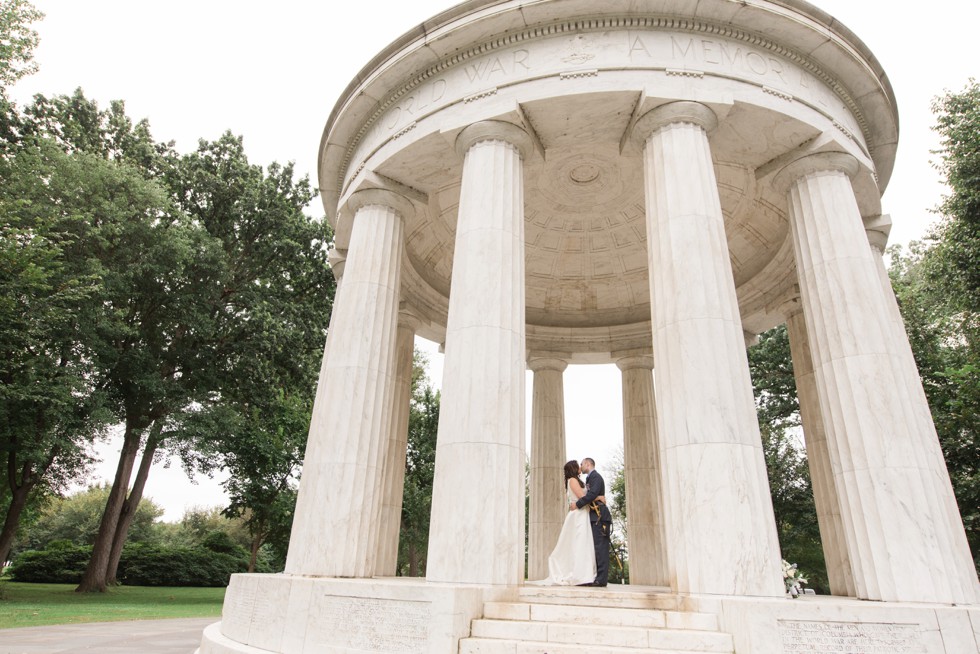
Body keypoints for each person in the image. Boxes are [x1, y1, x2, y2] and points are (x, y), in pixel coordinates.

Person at [527, 460, 597, 586]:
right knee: (579, 543)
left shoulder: (575, 480)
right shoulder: (573, 480)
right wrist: (598, 497)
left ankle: (584, 574)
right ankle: (579, 575)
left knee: (582, 543)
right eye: (578, 465)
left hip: (582, 513)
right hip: (578, 515)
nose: (580, 466)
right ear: (574, 468)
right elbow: (582, 497)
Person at [573, 457, 612, 587]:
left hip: (600, 517)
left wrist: (577, 504)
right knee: (595, 548)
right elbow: (593, 495)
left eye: (582, 464)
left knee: (601, 548)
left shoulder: (596, 477)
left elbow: (591, 494)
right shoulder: (590, 478)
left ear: (588, 464)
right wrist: (597, 497)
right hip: (594, 517)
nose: (581, 466)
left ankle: (601, 580)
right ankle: (596, 577)